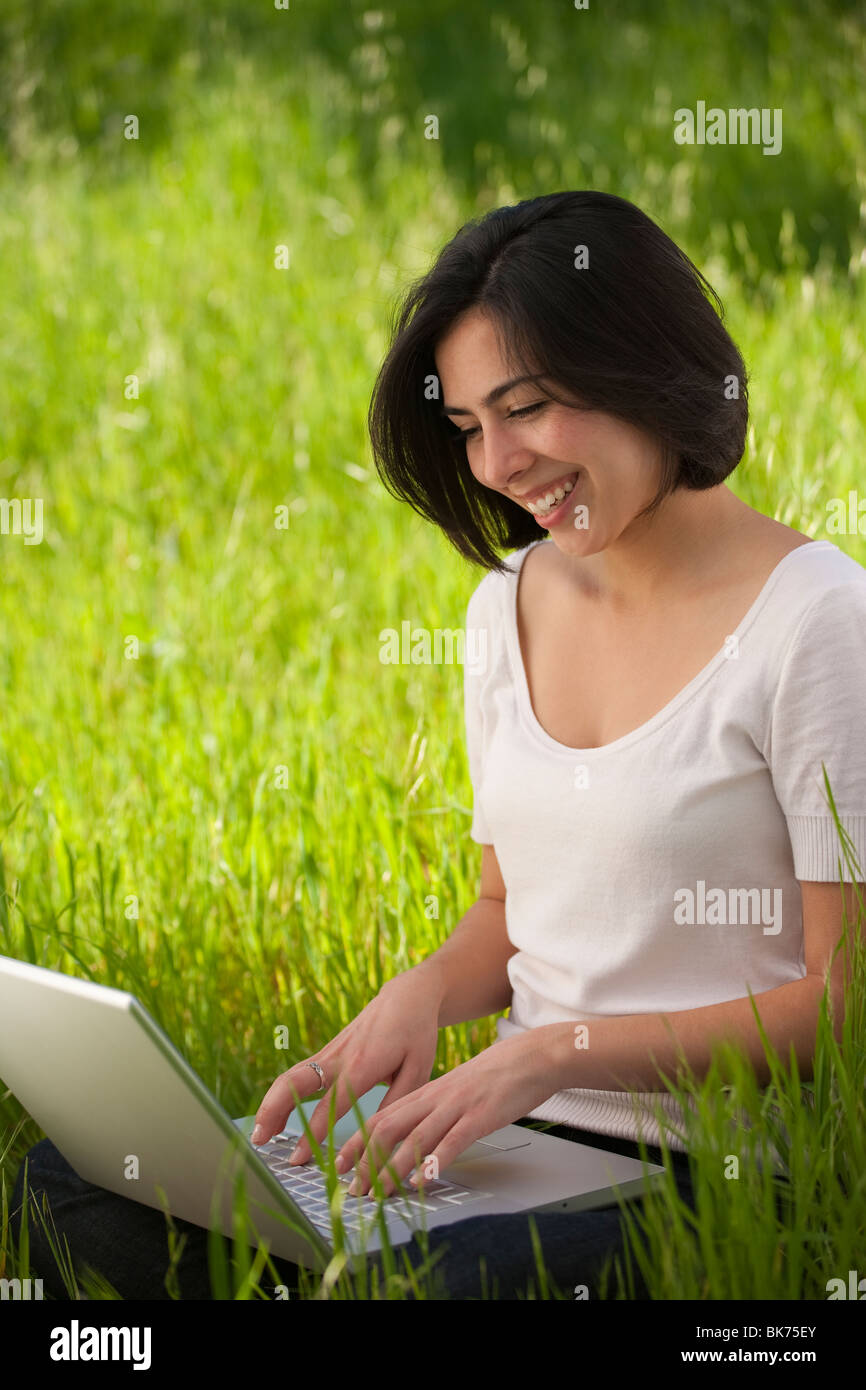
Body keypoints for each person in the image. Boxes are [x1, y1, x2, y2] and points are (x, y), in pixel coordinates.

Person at [12, 190, 866, 1300]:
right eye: (468, 426)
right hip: (513, 1135)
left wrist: (544, 1055)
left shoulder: (813, 619)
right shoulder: (504, 606)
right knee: (73, 1184)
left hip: (718, 1170)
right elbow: (504, 914)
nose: (497, 463)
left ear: (643, 368)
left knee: (417, 1286)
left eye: (526, 408)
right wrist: (418, 994)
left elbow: (837, 1000)